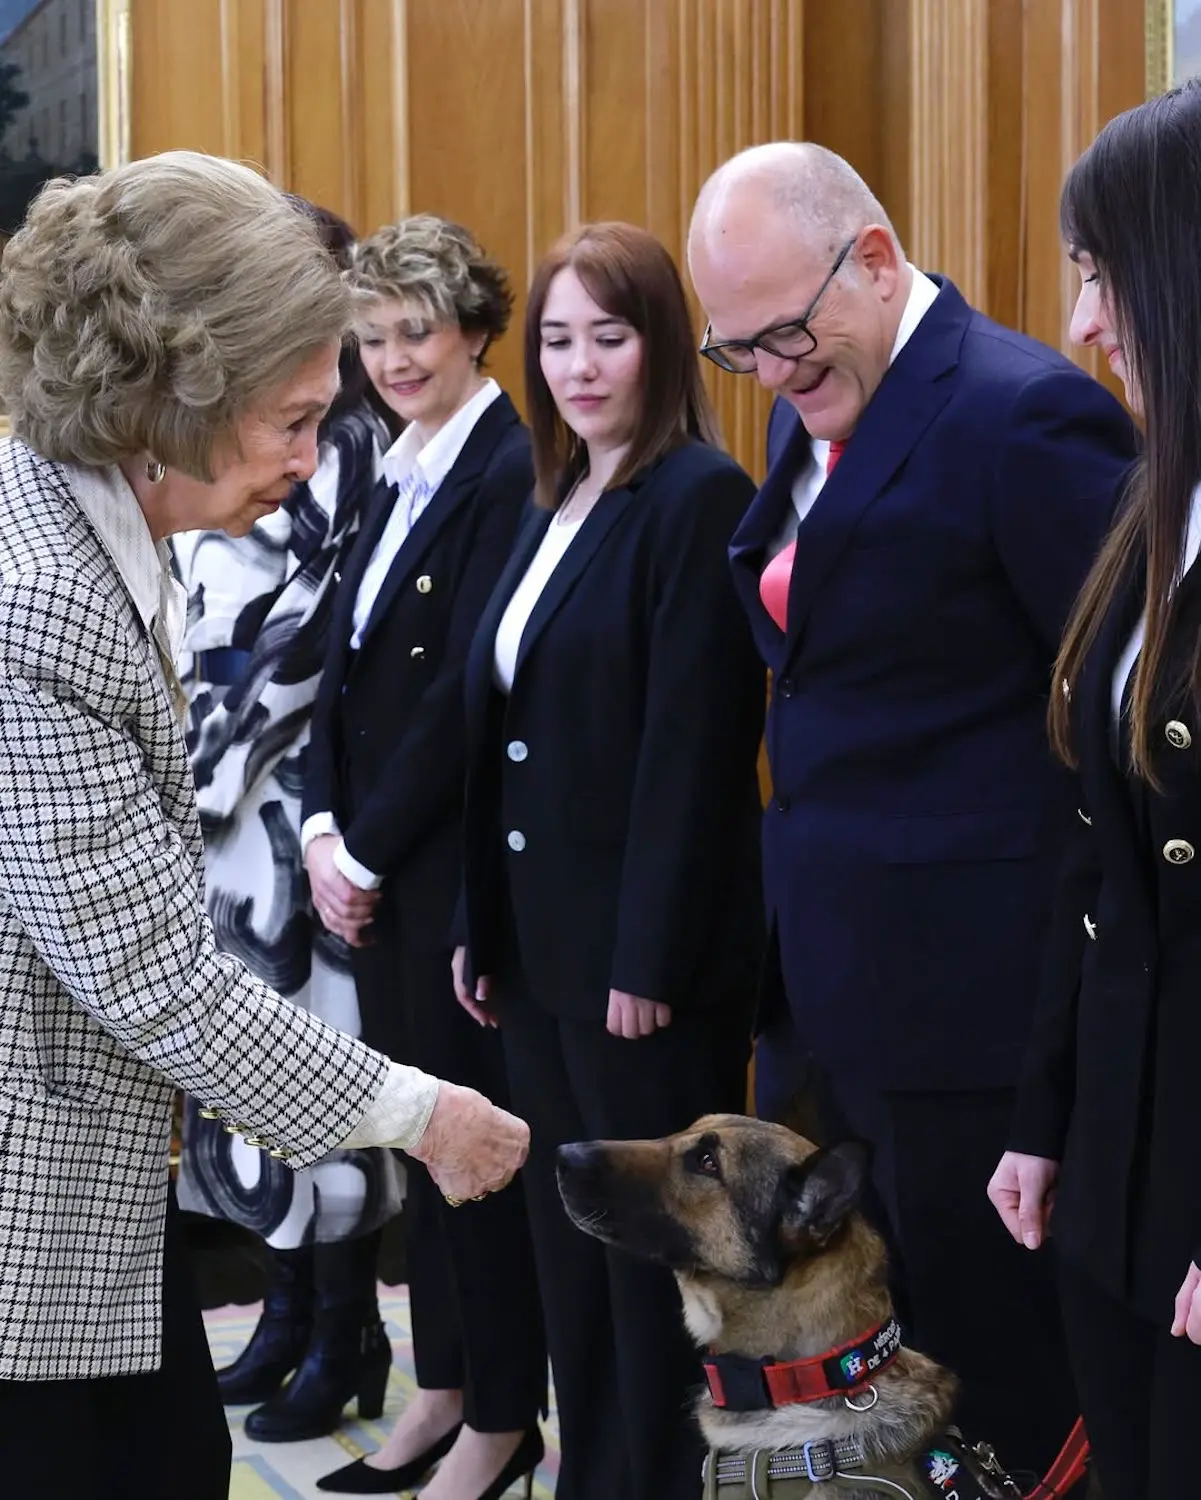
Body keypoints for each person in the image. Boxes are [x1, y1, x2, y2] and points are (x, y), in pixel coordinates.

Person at [0, 150, 527, 1500]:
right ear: (174, 394)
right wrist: (420, 1114)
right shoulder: (41, 597)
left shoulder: (87, 524)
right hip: (32, 1206)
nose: (310, 464)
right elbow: (147, 974)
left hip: (82, 1184)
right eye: (293, 421)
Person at [686, 141, 1138, 1479]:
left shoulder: (1023, 416)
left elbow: (1110, 743)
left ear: (874, 262)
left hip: (977, 1011)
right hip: (834, 986)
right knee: (875, 1365)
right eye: (738, 349)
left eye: (784, 334)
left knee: (990, 1368)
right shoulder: (812, 395)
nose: (769, 372)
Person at [455, 221, 765, 1500]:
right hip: (536, 954)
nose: (581, 366)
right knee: (564, 1254)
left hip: (638, 967)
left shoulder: (695, 495)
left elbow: (692, 750)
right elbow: (502, 734)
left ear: (662, 344)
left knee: (651, 1279)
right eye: (560, 339)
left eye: (612, 335)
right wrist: (482, 923)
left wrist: (647, 953)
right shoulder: (549, 494)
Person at [301, 215, 546, 1498]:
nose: (393, 357)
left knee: (475, 1154)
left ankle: (502, 1418)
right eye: (375, 335)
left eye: (417, 332)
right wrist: (324, 831)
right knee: (418, 1147)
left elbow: (466, 691)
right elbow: (345, 680)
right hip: (382, 869)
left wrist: (370, 848)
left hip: (451, 873)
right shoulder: (395, 461)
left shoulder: (509, 466)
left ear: (472, 330)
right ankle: (440, 1387)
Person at [989, 80, 1201, 1499]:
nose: (1080, 322)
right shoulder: (1156, 499)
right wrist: (1044, 1115)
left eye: (1100, 271)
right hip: (1122, 1159)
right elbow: (1098, 864)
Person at [172, 201, 406, 1441]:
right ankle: (280, 1308)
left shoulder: (349, 432)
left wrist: (214, 748)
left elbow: (323, 623)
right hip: (214, 798)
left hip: (287, 795)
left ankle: (347, 1325)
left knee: (310, 1064)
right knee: (235, 1072)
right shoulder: (222, 417)